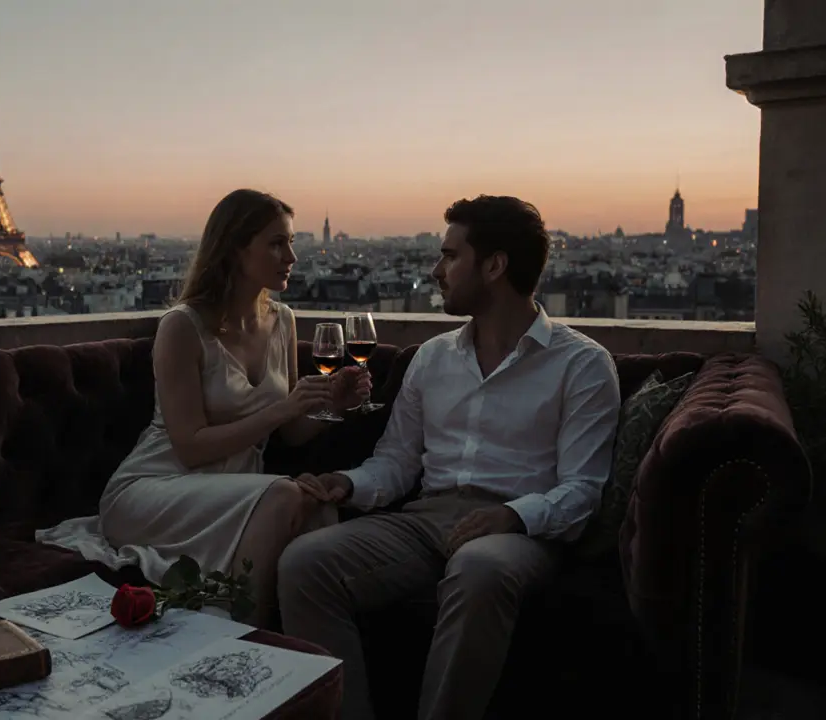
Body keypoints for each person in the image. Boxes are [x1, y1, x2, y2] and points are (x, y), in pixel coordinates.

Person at [277, 195, 622, 720]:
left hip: (517, 531)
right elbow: (396, 462)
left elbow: (582, 490)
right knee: (305, 562)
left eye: (449, 256)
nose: (436, 271)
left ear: (494, 265)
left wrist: (511, 515)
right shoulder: (432, 358)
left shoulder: (583, 366)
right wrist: (345, 483)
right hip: (427, 519)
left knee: (479, 568)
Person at [37, 188, 369, 628]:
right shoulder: (182, 327)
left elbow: (290, 433)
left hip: (231, 492)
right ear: (234, 248)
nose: (291, 255)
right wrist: (284, 408)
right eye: (276, 243)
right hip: (156, 486)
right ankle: (244, 639)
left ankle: (309, 657)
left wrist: (336, 406)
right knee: (289, 493)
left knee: (319, 509)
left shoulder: (282, 321)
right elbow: (190, 447)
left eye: (290, 242)